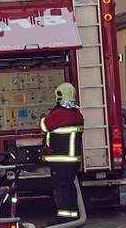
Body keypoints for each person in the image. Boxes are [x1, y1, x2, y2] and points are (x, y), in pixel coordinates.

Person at [41, 82, 84, 226]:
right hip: (72, 160)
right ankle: (73, 216)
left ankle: (65, 220)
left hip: (61, 160)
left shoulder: (60, 113)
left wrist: (43, 117)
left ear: (59, 95)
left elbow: (45, 125)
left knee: (61, 188)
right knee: (68, 187)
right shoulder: (76, 114)